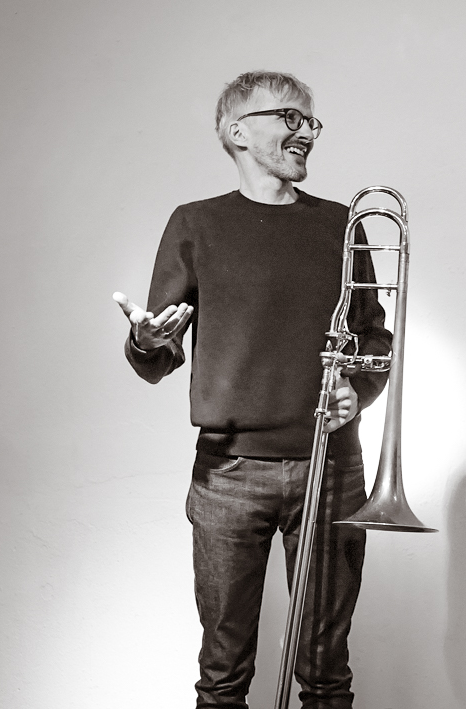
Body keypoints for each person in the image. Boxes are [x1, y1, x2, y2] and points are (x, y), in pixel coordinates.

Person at [113, 71, 392, 709]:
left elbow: (375, 339)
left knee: (327, 675)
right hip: (228, 473)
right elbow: (158, 357)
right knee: (222, 675)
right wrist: (147, 342)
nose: (306, 132)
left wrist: (359, 389)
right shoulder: (196, 223)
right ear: (237, 132)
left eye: (310, 121)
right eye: (290, 117)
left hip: (332, 468)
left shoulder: (343, 223)